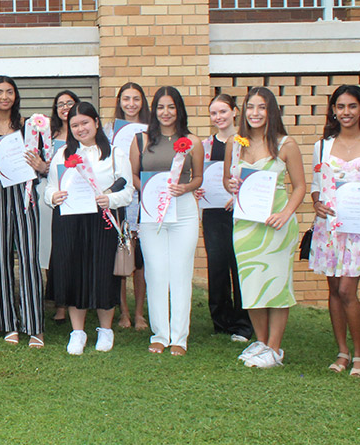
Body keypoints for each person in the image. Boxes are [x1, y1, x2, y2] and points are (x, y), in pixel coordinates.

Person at [310, 85, 360, 378]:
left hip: (359, 227)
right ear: (333, 110)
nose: (346, 112)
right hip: (329, 226)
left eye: (352, 106)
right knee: (332, 290)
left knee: (347, 290)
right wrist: (316, 203)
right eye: (340, 106)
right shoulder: (322, 145)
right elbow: (316, 185)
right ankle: (342, 351)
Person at [225, 87, 306, 368]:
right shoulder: (236, 144)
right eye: (250, 107)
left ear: (271, 111)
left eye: (261, 107)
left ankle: (275, 348)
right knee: (252, 285)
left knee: (276, 285)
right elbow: (228, 182)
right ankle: (260, 343)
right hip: (246, 226)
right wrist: (231, 186)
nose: (255, 113)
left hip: (276, 225)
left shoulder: (286, 145)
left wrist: (286, 213)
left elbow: (300, 186)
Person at [45, 101, 134, 354]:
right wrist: (54, 197)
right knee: (74, 273)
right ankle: (77, 331)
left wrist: (111, 200)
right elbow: (50, 188)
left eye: (85, 122)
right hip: (70, 221)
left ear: (96, 122)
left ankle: (106, 330)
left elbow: (127, 190)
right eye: (74, 125)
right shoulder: (62, 155)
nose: (80, 128)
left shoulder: (115, 153)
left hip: (102, 221)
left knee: (104, 273)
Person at [0, 77, 50, 347]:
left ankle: (34, 325)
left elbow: (45, 161)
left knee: (29, 256)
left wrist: (42, 165)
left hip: (25, 192)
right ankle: (7, 322)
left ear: (16, 96)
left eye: (9, 92)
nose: (4, 97)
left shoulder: (30, 126)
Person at [130, 86, 204, 355]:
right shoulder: (141, 140)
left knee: (180, 272)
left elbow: (198, 178)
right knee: (156, 271)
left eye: (171, 107)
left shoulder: (192, 141)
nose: (165, 112)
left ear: (179, 110)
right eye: (160, 107)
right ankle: (160, 334)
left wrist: (185, 188)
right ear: (154, 110)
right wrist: (149, 191)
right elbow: (135, 176)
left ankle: (179, 338)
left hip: (183, 210)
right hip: (152, 212)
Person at [201, 93, 253, 343]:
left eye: (223, 111)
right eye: (213, 113)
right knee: (218, 265)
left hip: (241, 210)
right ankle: (221, 321)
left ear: (234, 112)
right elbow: (195, 175)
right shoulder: (205, 145)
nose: (218, 117)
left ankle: (244, 323)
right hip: (213, 211)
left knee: (240, 265)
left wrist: (242, 196)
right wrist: (196, 188)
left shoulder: (246, 142)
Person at [112, 81, 150, 330]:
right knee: (121, 256)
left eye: (136, 99)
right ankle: (123, 313)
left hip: (145, 198)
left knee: (140, 260)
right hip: (120, 199)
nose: (131, 104)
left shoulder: (151, 130)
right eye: (126, 99)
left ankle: (139, 314)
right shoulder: (109, 130)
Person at [44, 89, 79, 324]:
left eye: (69, 103)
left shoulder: (83, 132)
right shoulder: (47, 134)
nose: (65, 107)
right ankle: (60, 303)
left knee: (75, 251)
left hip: (79, 201)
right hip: (53, 197)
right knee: (52, 249)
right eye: (60, 104)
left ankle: (76, 298)